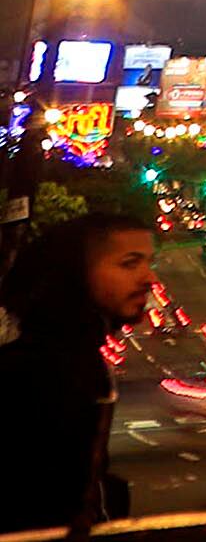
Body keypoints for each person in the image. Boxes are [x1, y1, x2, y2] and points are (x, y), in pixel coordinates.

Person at [0, 208, 158, 531]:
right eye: (130, 263)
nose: (149, 279)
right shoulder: (45, 372)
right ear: (75, 274)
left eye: (148, 262)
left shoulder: (74, 357)